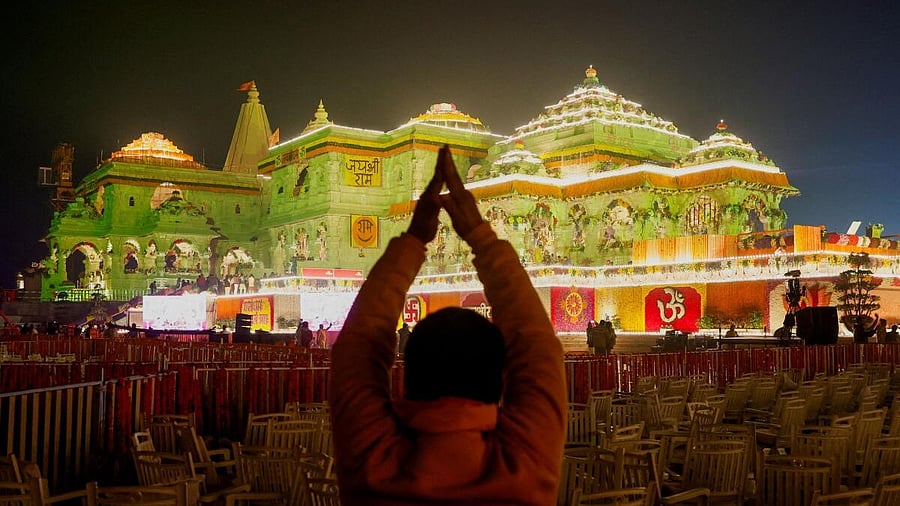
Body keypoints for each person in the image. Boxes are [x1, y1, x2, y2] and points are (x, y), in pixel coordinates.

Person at [330, 145, 566, 504]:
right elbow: (539, 347)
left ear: (406, 376)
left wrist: (415, 237)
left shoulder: (376, 462)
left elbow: (356, 349)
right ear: (500, 376)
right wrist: (479, 233)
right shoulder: (523, 463)